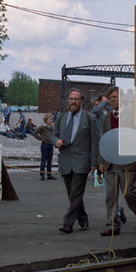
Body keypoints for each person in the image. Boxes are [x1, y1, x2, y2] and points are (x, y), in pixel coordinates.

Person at [98, 86, 136, 236]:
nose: (113, 100)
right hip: (111, 162)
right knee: (110, 196)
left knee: (128, 193)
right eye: (110, 98)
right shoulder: (107, 118)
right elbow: (104, 140)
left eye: (115, 97)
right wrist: (101, 160)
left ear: (122, 98)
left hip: (128, 160)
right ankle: (112, 225)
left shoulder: (132, 115)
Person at [51, 88, 101, 233]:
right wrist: (56, 142)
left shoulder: (90, 118)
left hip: (82, 162)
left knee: (75, 193)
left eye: (76, 99)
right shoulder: (61, 118)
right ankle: (83, 220)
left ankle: (68, 223)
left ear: (82, 101)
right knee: (72, 194)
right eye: (71, 99)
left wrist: (94, 163)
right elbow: (52, 135)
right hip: (65, 161)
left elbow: (95, 143)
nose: (73, 102)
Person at [32, 114, 56, 180]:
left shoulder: (52, 127)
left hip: (50, 144)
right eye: (50, 119)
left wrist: (54, 129)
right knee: (43, 160)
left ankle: (49, 175)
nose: (51, 120)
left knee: (50, 160)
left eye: (52, 119)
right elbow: (34, 133)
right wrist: (40, 138)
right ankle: (42, 175)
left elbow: (56, 134)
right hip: (44, 144)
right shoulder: (42, 127)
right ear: (46, 120)